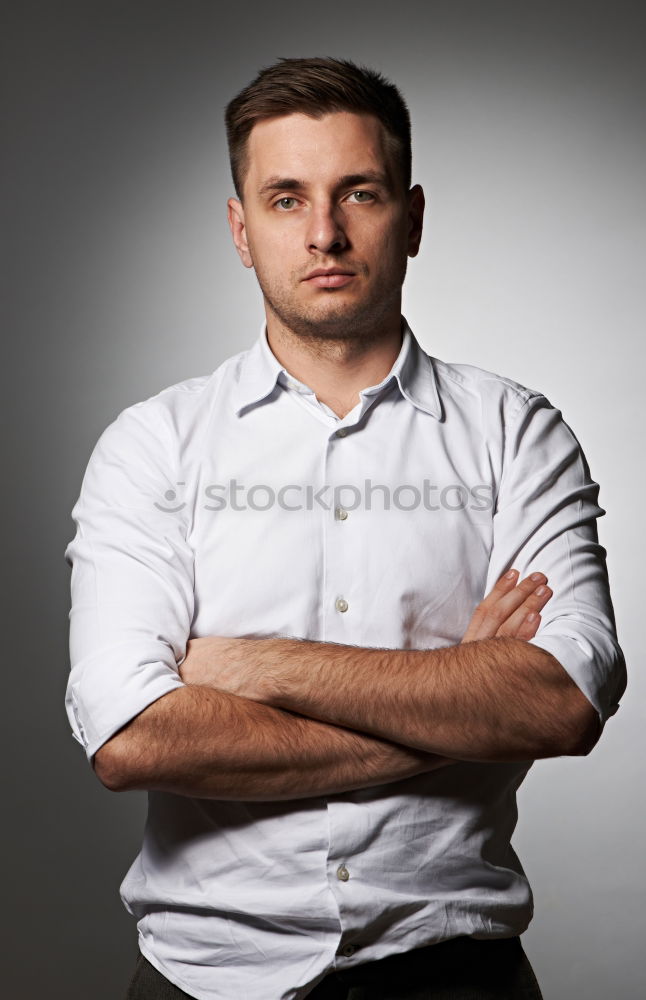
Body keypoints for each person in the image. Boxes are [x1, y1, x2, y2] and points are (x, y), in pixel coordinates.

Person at [65, 57, 626, 1000]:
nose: (324, 232)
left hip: (457, 974)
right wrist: (456, 709)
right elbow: (132, 737)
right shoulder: (153, 445)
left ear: (411, 217)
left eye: (356, 193)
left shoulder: (514, 432)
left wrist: (255, 665)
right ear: (241, 230)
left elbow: (563, 701)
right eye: (286, 199)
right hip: (204, 980)